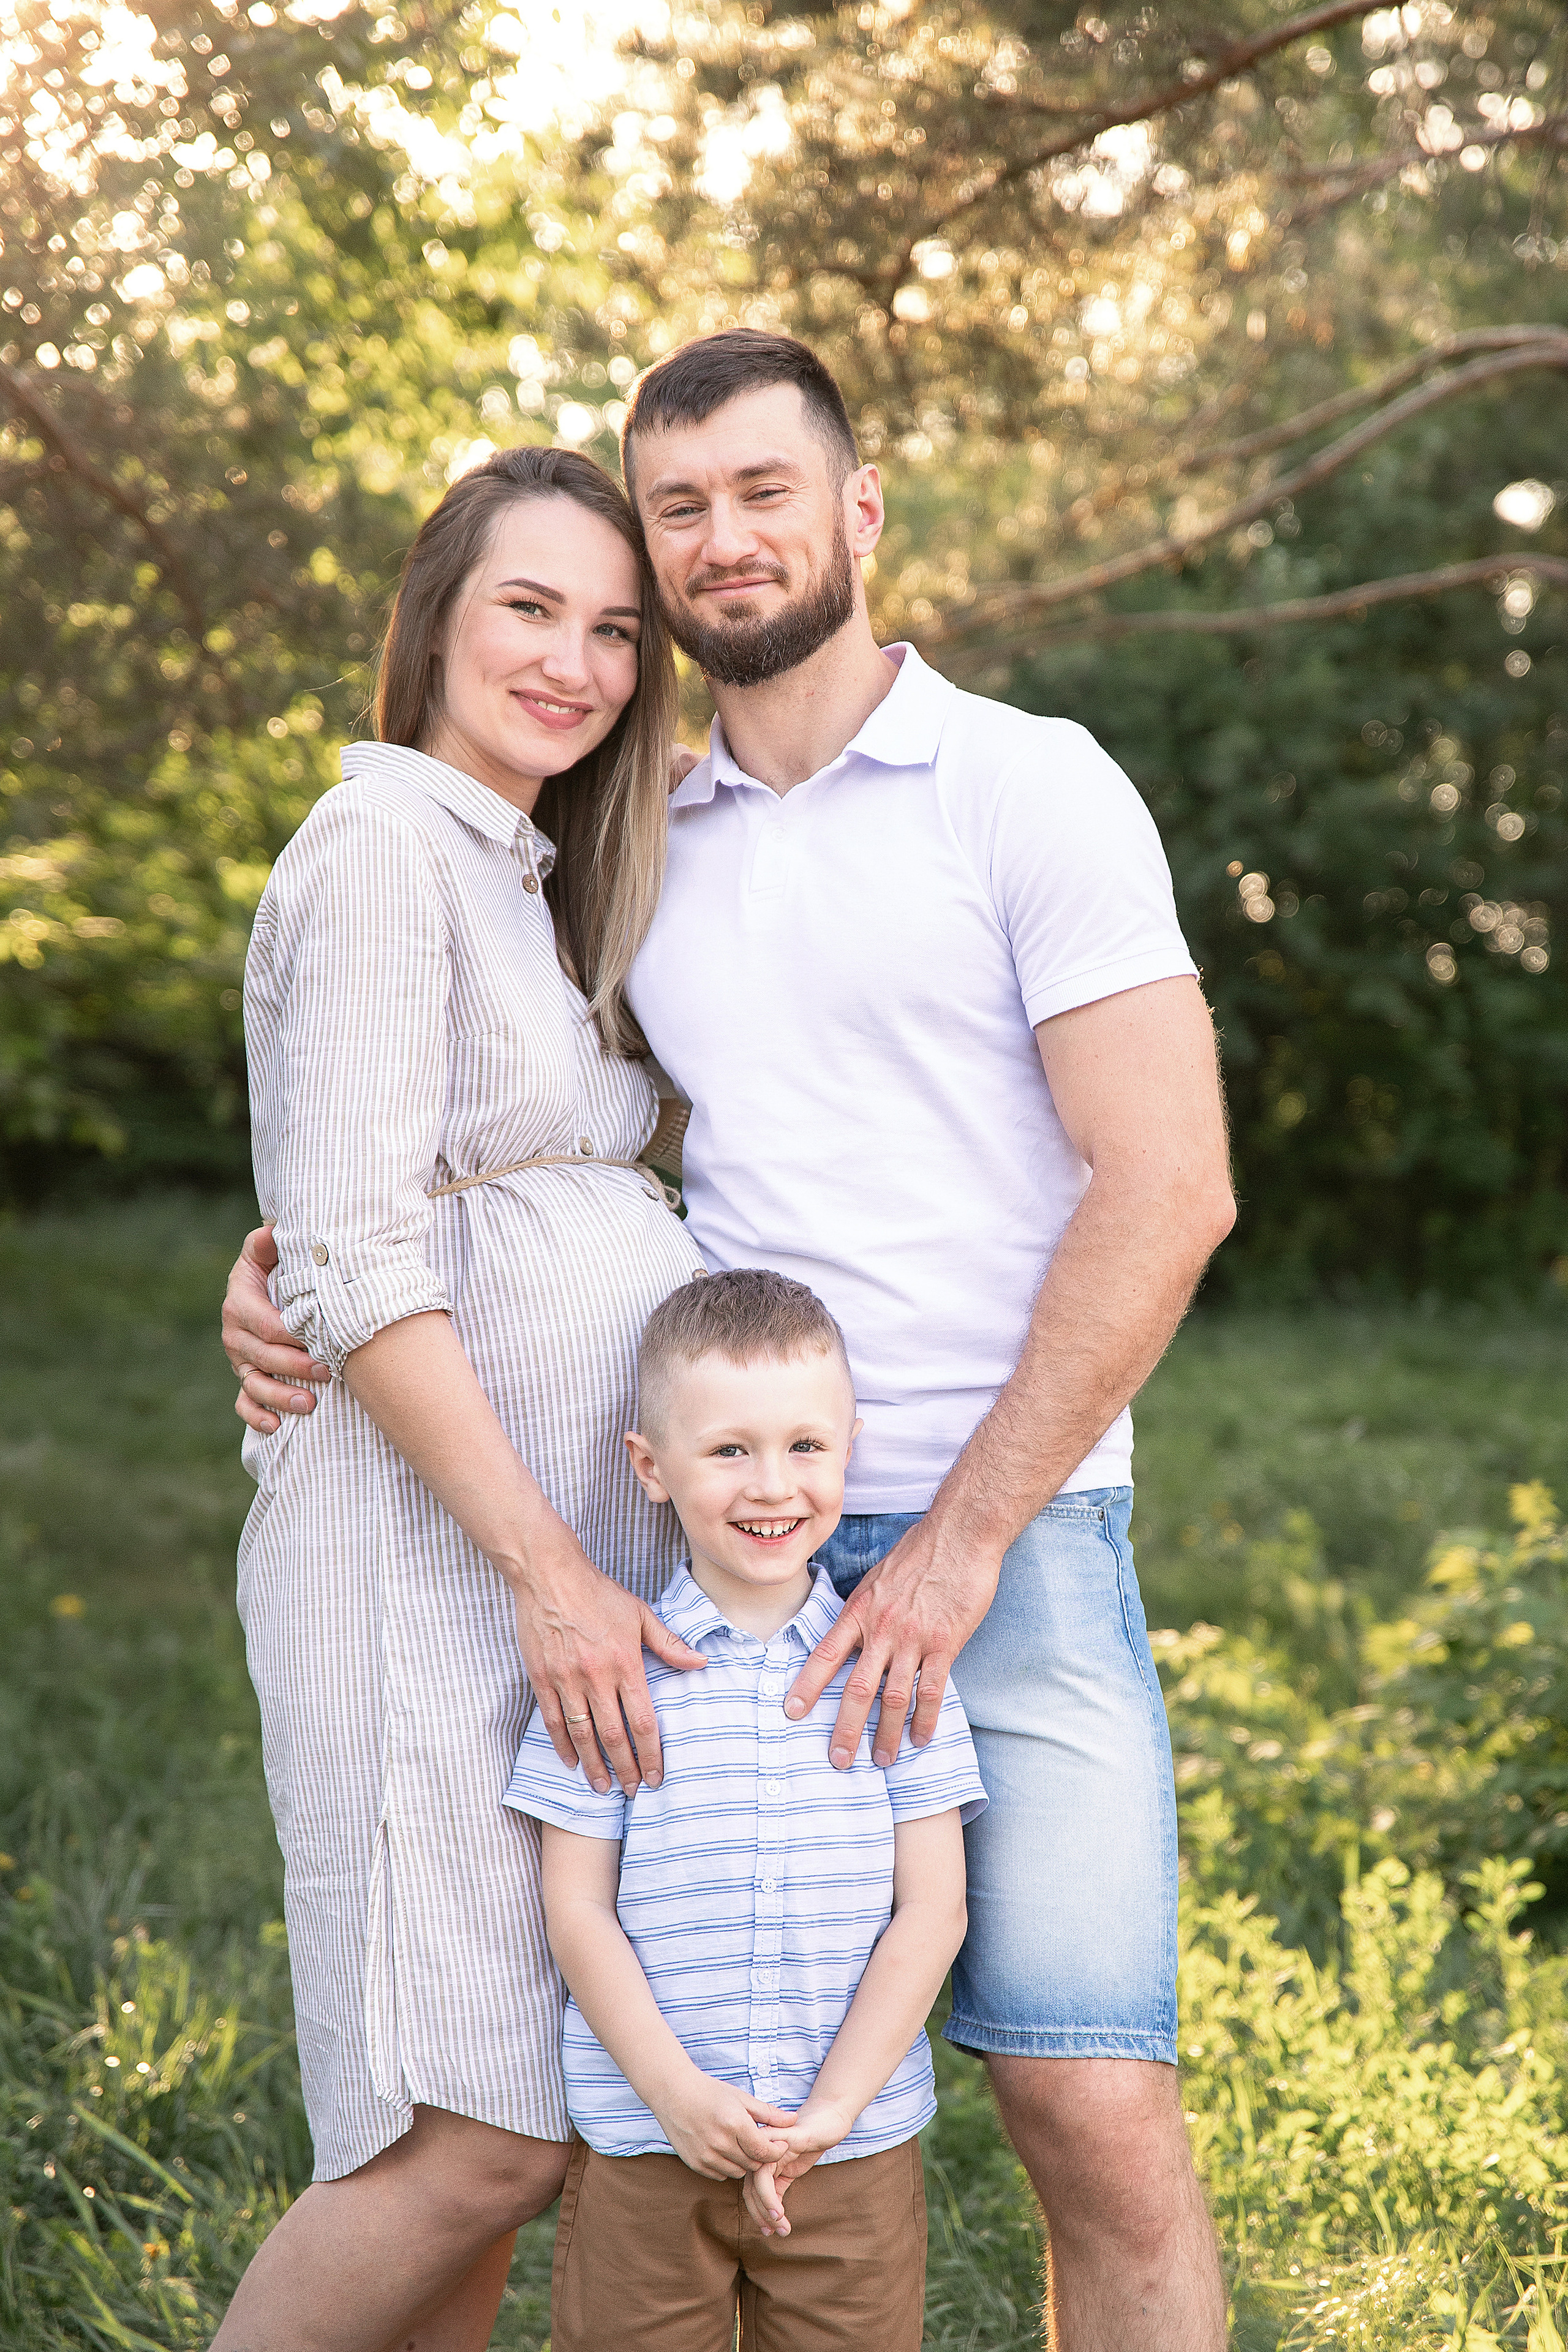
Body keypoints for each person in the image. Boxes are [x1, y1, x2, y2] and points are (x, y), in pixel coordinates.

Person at [225, 330, 1237, 2350]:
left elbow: (1173, 1188)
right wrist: (285, 1285)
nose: (717, 542)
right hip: (691, 1562)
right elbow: (462, 1149)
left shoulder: (1024, 784)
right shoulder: (635, 845)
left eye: (762, 491)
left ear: (860, 511)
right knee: (555, 2109)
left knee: (1087, 2101)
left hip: (998, 1541)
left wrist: (949, 1549)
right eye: (673, 510)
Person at [214, 444, 716, 2352]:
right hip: (430, 1567)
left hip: (532, 1569)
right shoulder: (377, 850)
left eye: (613, 629)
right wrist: (551, 1573)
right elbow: (347, 1250)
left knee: (504, 2138)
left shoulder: (521, 868)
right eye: (532, 606)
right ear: (432, 615)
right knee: (462, 2144)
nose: (578, 662)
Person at [510, 1267, 985, 2352]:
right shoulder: (612, 1677)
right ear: (652, 1467)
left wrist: (833, 2113)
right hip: (647, 2141)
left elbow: (932, 1915)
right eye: (729, 1449)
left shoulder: (896, 1674)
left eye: (805, 1446)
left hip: (849, 2155)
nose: (772, 1485)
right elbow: (578, 1911)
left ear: (849, 1447)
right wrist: (675, 2095)